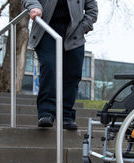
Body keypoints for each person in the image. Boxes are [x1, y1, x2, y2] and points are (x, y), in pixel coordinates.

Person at [22, 0, 98, 130]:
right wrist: (35, 7)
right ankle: (46, 112)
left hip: (74, 33)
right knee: (50, 68)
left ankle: (66, 115)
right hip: (46, 30)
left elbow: (92, 8)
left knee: (72, 74)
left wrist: (85, 26)